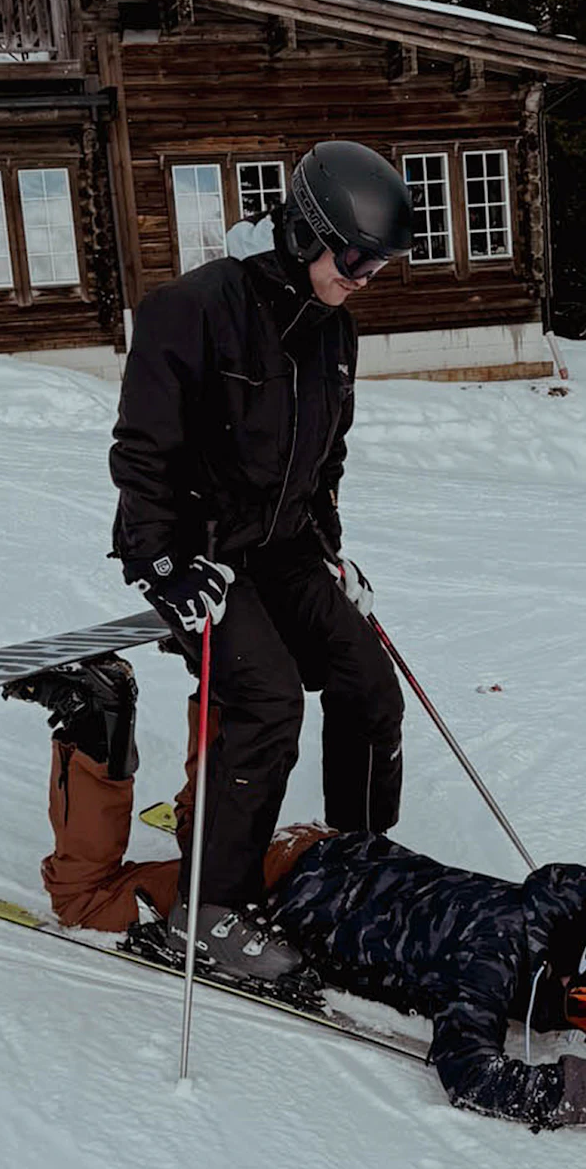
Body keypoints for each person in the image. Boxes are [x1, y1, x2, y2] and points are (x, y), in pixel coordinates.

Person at [2, 655, 586, 1140]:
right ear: (571, 985)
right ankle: (94, 720)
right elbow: (473, 1075)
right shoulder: (490, 962)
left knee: (217, 830)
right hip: (275, 892)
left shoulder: (563, 907)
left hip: (327, 847)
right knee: (86, 897)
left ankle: (226, 673)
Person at [109, 140, 415, 983]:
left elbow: (323, 463)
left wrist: (331, 554)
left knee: (367, 685)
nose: (363, 276)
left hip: (282, 548)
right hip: (198, 554)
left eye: (378, 264)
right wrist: (161, 564)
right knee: (270, 701)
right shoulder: (194, 309)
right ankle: (208, 910)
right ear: (305, 231)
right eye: (354, 256)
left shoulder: (332, 332)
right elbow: (141, 454)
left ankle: (358, 871)